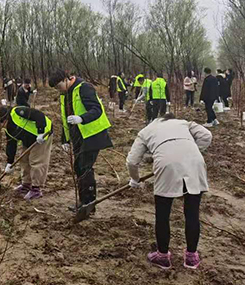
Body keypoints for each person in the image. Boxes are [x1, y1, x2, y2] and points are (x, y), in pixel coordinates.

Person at [126, 113, 212, 270]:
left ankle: (163, 256)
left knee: (163, 215)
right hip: (195, 162)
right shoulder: (184, 123)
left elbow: (132, 161)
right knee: (192, 213)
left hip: (166, 165)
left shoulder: (146, 130)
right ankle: (191, 257)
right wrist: (192, 151)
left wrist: (135, 179)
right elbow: (207, 135)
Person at [49, 69, 113, 221]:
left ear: (66, 79)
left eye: (59, 86)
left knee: (85, 168)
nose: (59, 90)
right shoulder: (64, 95)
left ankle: (89, 204)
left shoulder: (84, 88)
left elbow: (96, 110)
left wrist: (81, 118)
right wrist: (64, 139)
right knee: (78, 167)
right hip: (77, 136)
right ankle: (83, 202)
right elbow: (65, 117)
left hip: (92, 135)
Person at [0, 105, 53, 200]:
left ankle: (36, 189)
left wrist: (41, 131)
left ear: (3, 119)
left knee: (36, 161)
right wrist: (10, 162)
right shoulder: (8, 129)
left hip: (43, 135)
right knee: (24, 160)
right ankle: (26, 184)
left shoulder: (17, 112)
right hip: (28, 139)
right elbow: (11, 145)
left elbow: (38, 115)